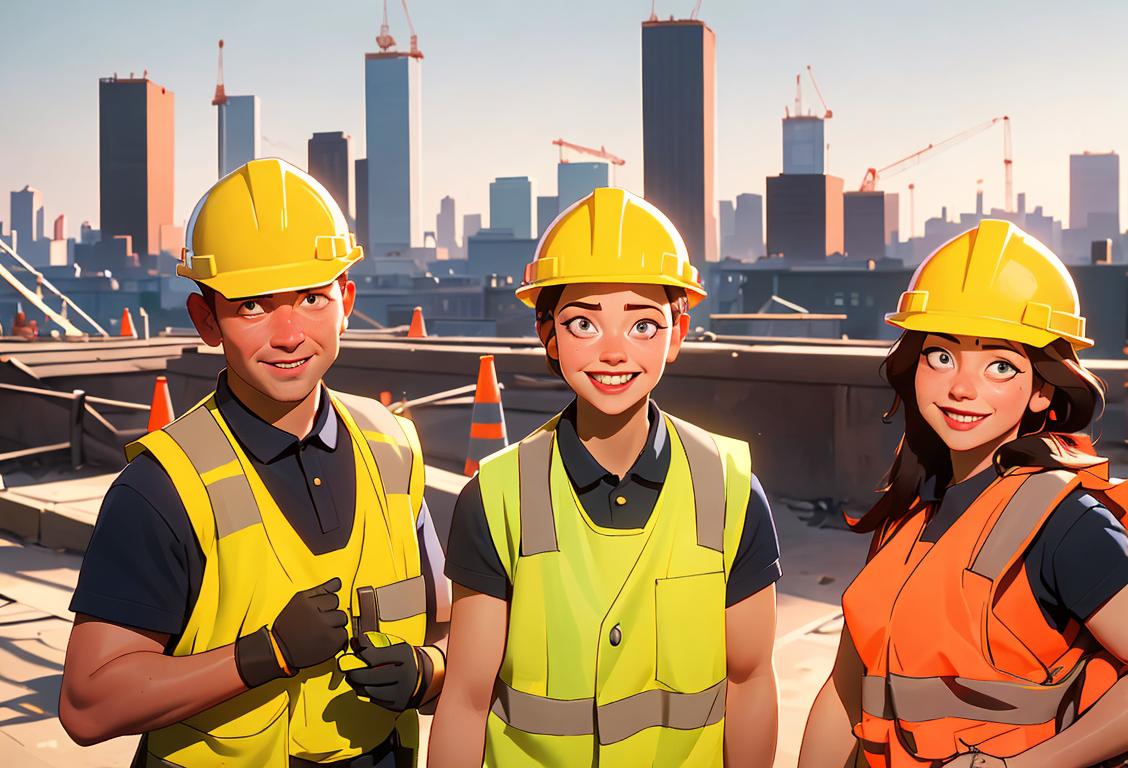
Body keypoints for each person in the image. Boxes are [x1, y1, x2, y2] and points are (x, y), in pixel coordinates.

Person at [59, 158, 449, 767]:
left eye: (314, 298)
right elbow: (87, 705)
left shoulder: (393, 447)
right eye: (253, 307)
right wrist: (261, 655)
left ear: (346, 300)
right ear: (205, 320)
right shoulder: (162, 488)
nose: (291, 334)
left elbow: (444, 622)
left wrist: (426, 672)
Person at [428, 188, 782, 766]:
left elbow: (750, 681)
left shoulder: (731, 488)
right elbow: (466, 700)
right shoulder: (495, 496)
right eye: (583, 324)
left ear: (678, 333)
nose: (615, 351)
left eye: (643, 325)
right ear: (548, 332)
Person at [799, 219, 1128, 768]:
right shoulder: (908, 512)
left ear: (1043, 390)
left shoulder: (1066, 522)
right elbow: (846, 693)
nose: (961, 388)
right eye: (942, 355)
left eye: (1000, 365)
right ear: (914, 364)